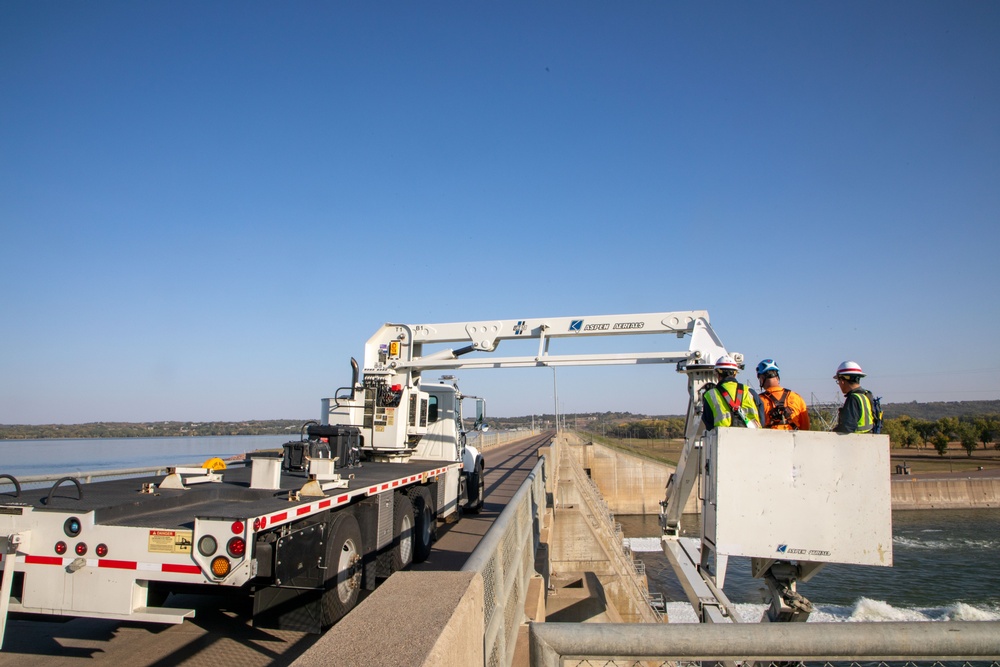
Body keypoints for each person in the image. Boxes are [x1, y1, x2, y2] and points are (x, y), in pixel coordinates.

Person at [702, 355, 762, 430]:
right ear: (735, 373)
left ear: (717, 374)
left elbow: (708, 424)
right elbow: (762, 418)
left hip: (723, 439)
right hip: (752, 438)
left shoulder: (710, 395)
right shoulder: (750, 392)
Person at [755, 359, 811, 431]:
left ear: (762, 378)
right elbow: (805, 428)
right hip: (793, 440)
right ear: (777, 376)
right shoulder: (797, 398)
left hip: (768, 440)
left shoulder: (758, 400)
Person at [833, 360, 876, 433]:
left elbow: (847, 428)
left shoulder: (853, 399)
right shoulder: (867, 395)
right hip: (868, 439)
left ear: (842, 381)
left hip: (856, 442)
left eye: (838, 381)